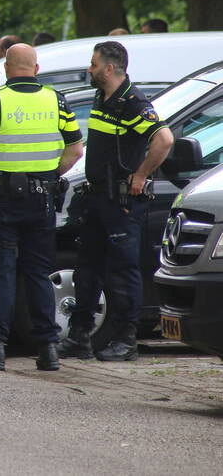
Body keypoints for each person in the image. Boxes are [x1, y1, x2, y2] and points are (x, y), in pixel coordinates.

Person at [0, 44, 84, 371]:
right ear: (36, 69)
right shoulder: (56, 101)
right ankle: (48, 349)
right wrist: (48, 177)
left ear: (6, 68)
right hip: (42, 199)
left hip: (1, 200)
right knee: (38, 273)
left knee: (1, 272)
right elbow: (75, 150)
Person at [58, 41, 174, 362]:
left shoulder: (132, 103)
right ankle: (80, 336)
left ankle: (126, 340)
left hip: (122, 202)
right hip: (98, 197)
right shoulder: (103, 96)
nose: (89, 69)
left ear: (109, 68)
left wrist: (141, 175)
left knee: (123, 271)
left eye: (93, 64)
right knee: (87, 269)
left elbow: (164, 140)